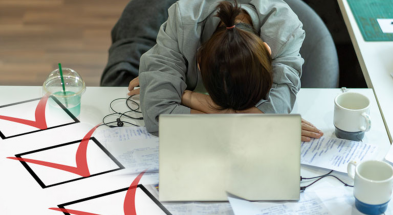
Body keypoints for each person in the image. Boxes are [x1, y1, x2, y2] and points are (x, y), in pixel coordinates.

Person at [101, 0, 323, 142]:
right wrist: (259, 121)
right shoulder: (182, 21)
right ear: (199, 59)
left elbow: (274, 114)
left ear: (268, 51)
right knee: (124, 64)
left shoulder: (286, 30)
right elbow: (158, 116)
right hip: (168, 12)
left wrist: (183, 96)